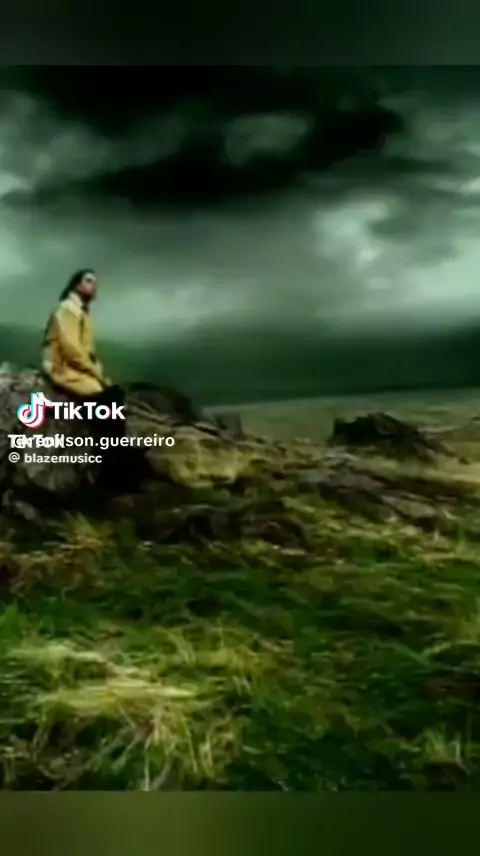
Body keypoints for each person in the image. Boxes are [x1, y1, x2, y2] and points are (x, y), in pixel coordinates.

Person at [42, 269, 128, 487]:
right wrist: (96, 374)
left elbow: (87, 352)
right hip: (63, 367)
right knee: (106, 402)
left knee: (114, 397)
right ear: (76, 285)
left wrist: (99, 373)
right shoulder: (67, 309)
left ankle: (116, 465)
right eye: (88, 281)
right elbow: (72, 350)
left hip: (76, 368)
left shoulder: (81, 312)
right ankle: (111, 470)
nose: (93, 286)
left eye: (95, 282)